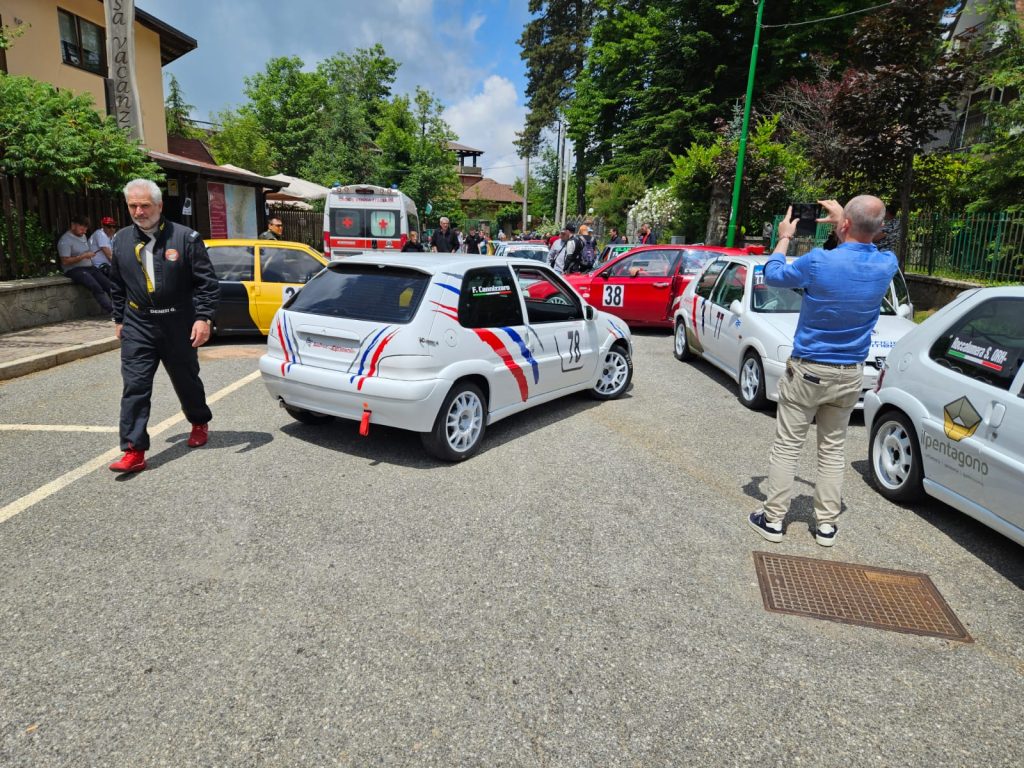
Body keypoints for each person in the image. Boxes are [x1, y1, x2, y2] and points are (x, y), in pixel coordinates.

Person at [748, 196, 898, 547]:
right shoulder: (886, 264)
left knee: (788, 446)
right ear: (877, 230)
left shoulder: (817, 262)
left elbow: (772, 275)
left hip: (809, 369)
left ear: (845, 223)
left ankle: (773, 519)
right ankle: (826, 525)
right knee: (832, 449)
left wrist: (784, 237)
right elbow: (871, 240)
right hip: (850, 373)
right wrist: (846, 223)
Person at [107, 179, 220, 473]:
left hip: (177, 322)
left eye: (145, 205)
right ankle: (134, 450)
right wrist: (119, 319)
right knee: (135, 387)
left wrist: (203, 317)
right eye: (133, 205)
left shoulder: (186, 238)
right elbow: (116, 285)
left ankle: (198, 421)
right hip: (138, 324)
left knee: (186, 380)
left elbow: (206, 283)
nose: (139, 211)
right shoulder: (120, 240)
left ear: (158, 205)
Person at [58, 215, 113, 315]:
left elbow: (84, 252)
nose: (85, 232)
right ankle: (112, 311)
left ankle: (123, 309)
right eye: (82, 228)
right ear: (73, 225)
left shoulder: (82, 236)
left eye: (86, 229)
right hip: (74, 270)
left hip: (89, 267)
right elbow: (65, 261)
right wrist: (82, 256)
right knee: (96, 287)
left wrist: (89, 255)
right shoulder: (65, 240)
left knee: (108, 285)